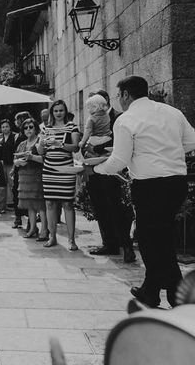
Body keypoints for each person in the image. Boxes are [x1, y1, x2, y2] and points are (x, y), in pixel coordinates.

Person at [86, 76, 195, 307]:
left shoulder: (127, 119)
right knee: (161, 236)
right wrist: (168, 153)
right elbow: (192, 140)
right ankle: (151, 291)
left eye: (119, 96)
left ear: (126, 94)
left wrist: (95, 168)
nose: (119, 100)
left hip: (150, 186)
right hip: (176, 182)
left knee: (149, 239)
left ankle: (177, 295)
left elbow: (119, 159)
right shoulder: (171, 112)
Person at [84, 90, 135, 263]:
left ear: (105, 102)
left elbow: (120, 141)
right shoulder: (92, 118)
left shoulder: (119, 117)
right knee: (100, 207)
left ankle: (126, 246)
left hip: (114, 171)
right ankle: (109, 244)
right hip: (94, 170)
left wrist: (95, 148)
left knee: (117, 209)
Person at [38, 100, 80, 250]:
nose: (58, 113)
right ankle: (52, 237)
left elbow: (75, 148)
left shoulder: (72, 127)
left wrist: (59, 144)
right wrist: (42, 144)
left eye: (61, 110)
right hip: (49, 170)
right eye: (55, 111)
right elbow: (41, 152)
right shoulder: (46, 128)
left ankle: (71, 240)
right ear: (52, 113)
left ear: (65, 111)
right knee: (49, 204)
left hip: (66, 170)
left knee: (68, 203)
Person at [14, 118, 47, 239]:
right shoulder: (22, 144)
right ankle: (33, 228)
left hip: (37, 175)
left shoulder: (40, 141)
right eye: (25, 128)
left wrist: (32, 157)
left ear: (36, 128)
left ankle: (44, 230)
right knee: (29, 205)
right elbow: (15, 159)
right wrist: (17, 162)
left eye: (31, 127)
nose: (28, 129)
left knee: (40, 205)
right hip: (24, 177)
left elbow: (44, 158)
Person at [0, 119, 21, 217]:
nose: (5, 128)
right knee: (0, 186)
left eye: (7, 126)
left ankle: (17, 205)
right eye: (3, 127)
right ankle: (1, 207)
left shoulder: (15, 136)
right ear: (0, 128)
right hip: (0, 164)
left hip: (11, 164)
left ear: (10, 127)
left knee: (13, 185)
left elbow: (17, 149)